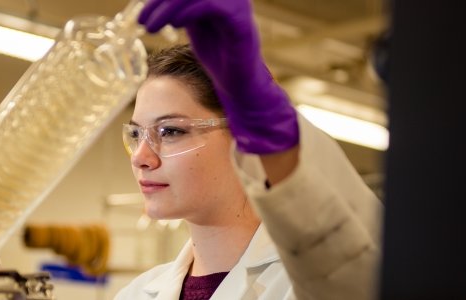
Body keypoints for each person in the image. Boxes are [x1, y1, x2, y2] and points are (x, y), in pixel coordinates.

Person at [113, 0, 382, 299]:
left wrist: (272, 121)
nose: (141, 157)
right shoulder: (134, 294)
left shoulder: (308, 283)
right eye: (136, 133)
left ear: (242, 138)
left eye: (171, 131)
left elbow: (364, 266)